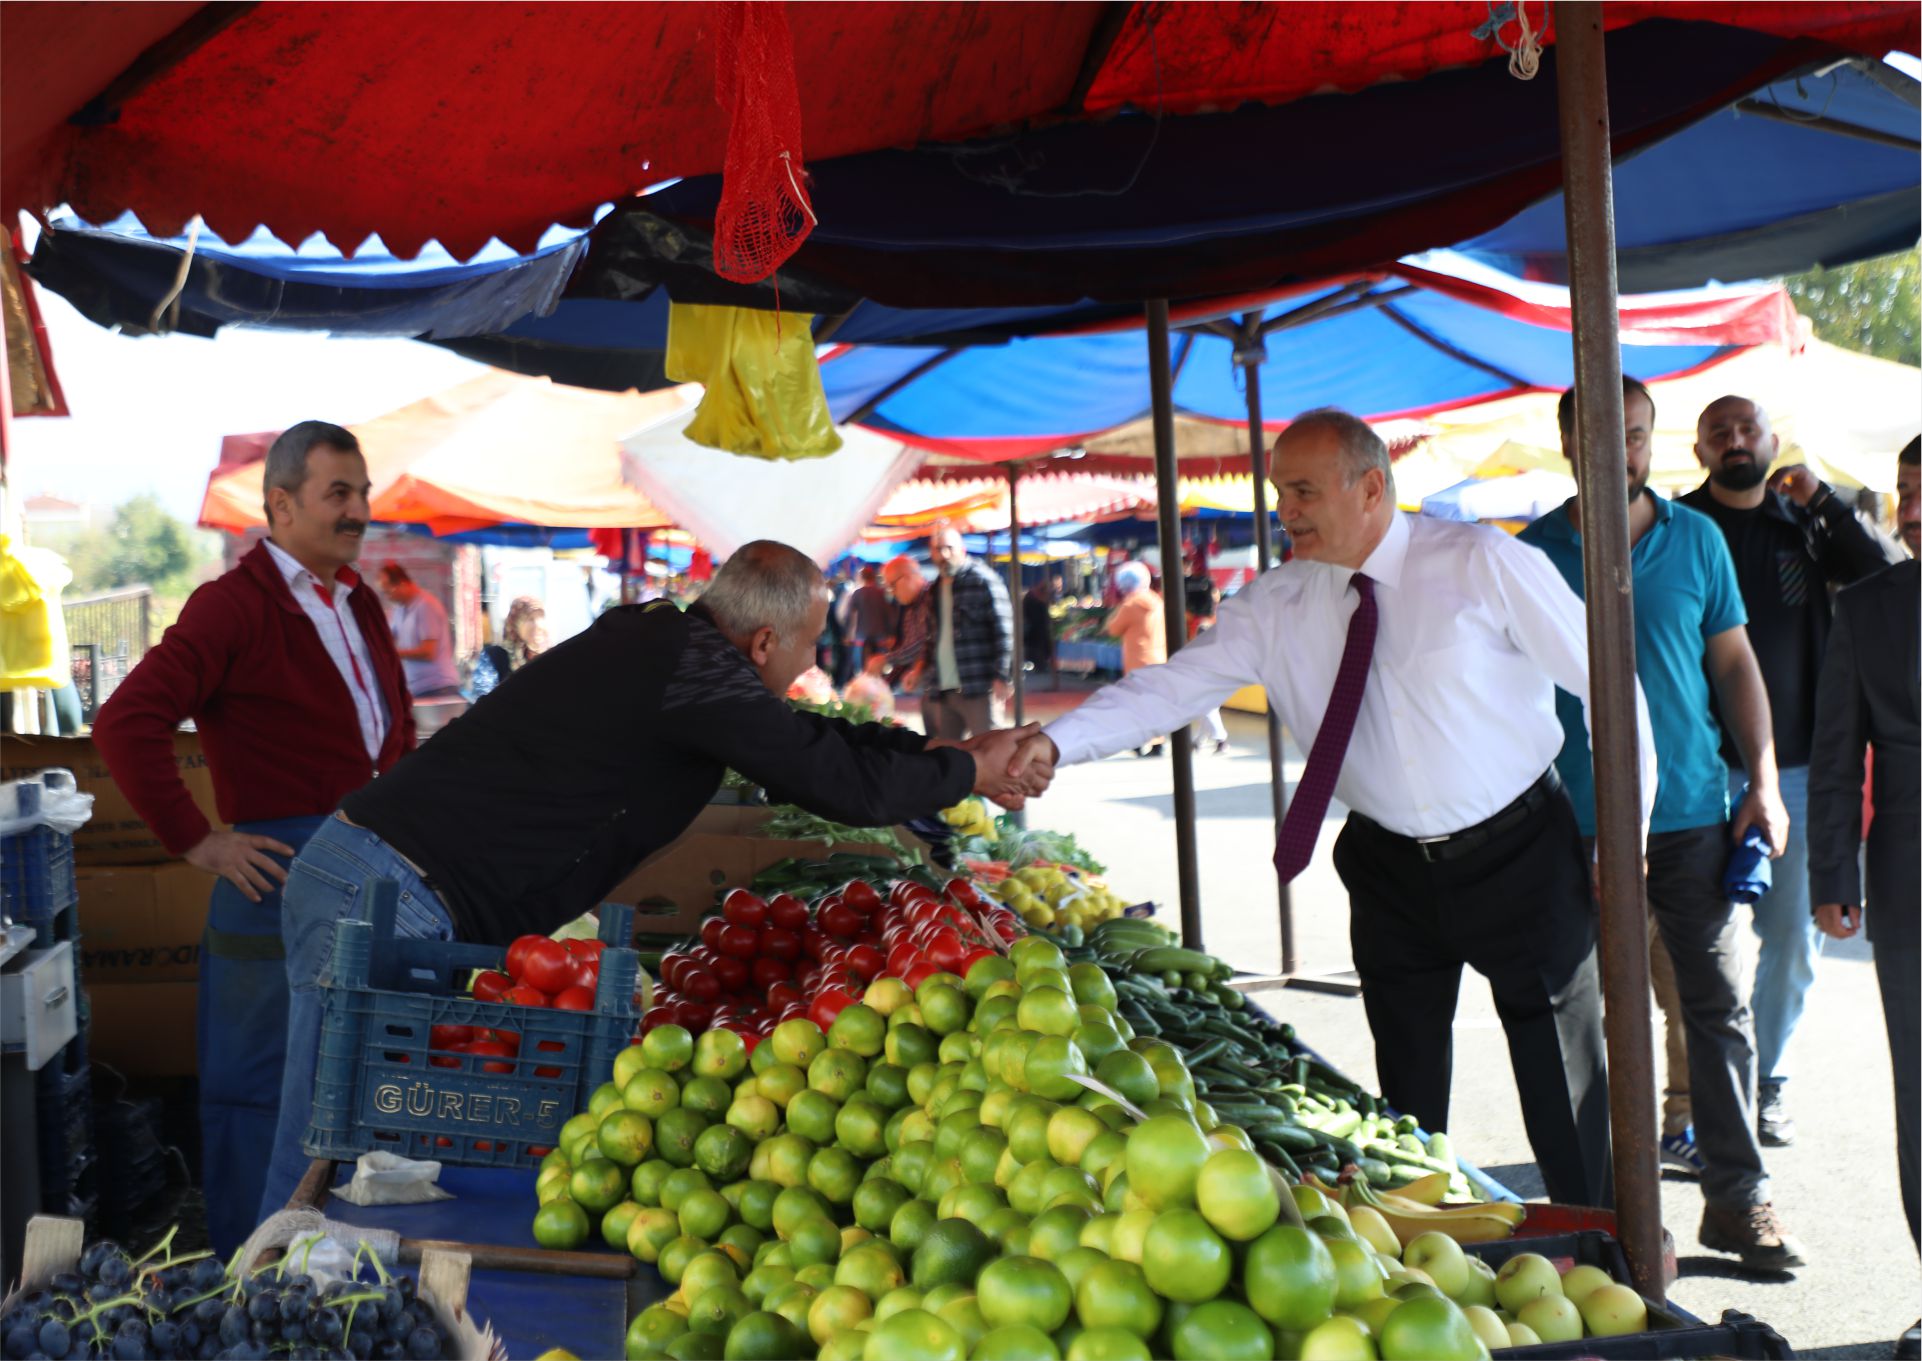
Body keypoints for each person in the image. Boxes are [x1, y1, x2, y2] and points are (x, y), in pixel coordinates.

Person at [256, 540, 1044, 1218]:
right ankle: (257, 1317)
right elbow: (836, 783)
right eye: (808, 652)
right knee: (319, 1154)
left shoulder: (678, 651)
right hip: (383, 890)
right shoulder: (690, 668)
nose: (811, 669)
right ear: (764, 641)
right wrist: (969, 767)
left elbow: (814, 738)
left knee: (363, 1145)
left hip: (401, 887)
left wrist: (963, 759)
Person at [1014, 407, 1654, 1209]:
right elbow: (1169, 689)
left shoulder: (1479, 561)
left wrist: (1624, 839)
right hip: (1390, 868)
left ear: (1372, 486)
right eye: (1280, 491)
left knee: (1565, 1083)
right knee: (1405, 1100)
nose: (1286, 510)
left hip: (1522, 850)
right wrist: (1056, 743)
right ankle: (1430, 1258)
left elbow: (1609, 681)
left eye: (1305, 490)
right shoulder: (1274, 605)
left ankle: (1601, 1249)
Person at [92, 421, 413, 1255]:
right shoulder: (233, 605)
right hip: (273, 881)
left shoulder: (361, 601)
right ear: (280, 503)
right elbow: (127, 721)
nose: (358, 510)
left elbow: (394, 739)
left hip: (364, 879)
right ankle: (247, 1286)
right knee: (261, 1093)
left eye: (363, 491)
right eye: (337, 493)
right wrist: (199, 841)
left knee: (346, 1089)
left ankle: (324, 1280)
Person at [1520, 380, 1803, 1269]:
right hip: (1569, 827)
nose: (1620, 455)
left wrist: (1764, 781)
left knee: (1717, 1009)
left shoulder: (1699, 540)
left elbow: (1735, 665)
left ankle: (1738, 1199)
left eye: (1635, 437)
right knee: (1590, 1026)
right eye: (1601, 439)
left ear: (1651, 440)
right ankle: (1610, 1214)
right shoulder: (1530, 556)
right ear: (1567, 441)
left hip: (1691, 817)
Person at [1679, 395, 1899, 1146]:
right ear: (1700, 448)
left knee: (1794, 941)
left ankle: (1764, 1081)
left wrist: (1824, 502)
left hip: (1800, 767)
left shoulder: (1806, 526)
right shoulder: (1683, 529)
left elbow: (1886, 581)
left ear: (1773, 441)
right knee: (1697, 942)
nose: (1736, 441)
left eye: (1748, 430)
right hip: (1697, 772)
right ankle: (1699, 1096)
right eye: (1721, 433)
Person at [1808, 438, 1919, 1358]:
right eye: (1906, 495)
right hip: (1910, 886)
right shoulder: (1869, 607)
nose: (1911, 511)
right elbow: (1837, 754)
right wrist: (1832, 877)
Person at [899, 526, 1012, 741]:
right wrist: (919, 671)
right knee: (950, 757)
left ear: (962, 549)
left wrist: (1002, 676)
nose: (944, 555)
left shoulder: (982, 580)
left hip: (977, 685)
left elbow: (1004, 631)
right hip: (943, 688)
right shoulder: (935, 589)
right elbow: (931, 638)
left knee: (991, 750)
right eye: (938, 549)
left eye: (949, 548)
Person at [1106, 562, 1169, 757]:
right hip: (1158, 657)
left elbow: (1113, 629)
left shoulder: (1130, 604)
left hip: (1137, 660)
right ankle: (1158, 742)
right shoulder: (1156, 601)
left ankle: (1137, 742)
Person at [378, 562, 462, 700]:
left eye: (389, 592)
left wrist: (392, 653)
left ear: (402, 584)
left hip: (438, 687)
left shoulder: (426, 606)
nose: (388, 597)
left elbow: (428, 652)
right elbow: (389, 638)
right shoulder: (399, 609)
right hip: (416, 688)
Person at [848, 564, 901, 673]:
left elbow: (851, 615)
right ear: (873, 577)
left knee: (863, 669)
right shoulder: (881, 593)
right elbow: (890, 614)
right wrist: (892, 633)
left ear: (861, 578)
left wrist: (847, 634)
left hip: (861, 636)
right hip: (881, 636)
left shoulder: (857, 593)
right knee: (880, 668)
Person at [1022, 577, 1059, 692]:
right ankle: (1040, 666)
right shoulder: (1032, 598)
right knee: (1039, 648)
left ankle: (1041, 666)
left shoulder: (1031, 597)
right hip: (1037, 631)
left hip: (1039, 630)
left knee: (1040, 648)